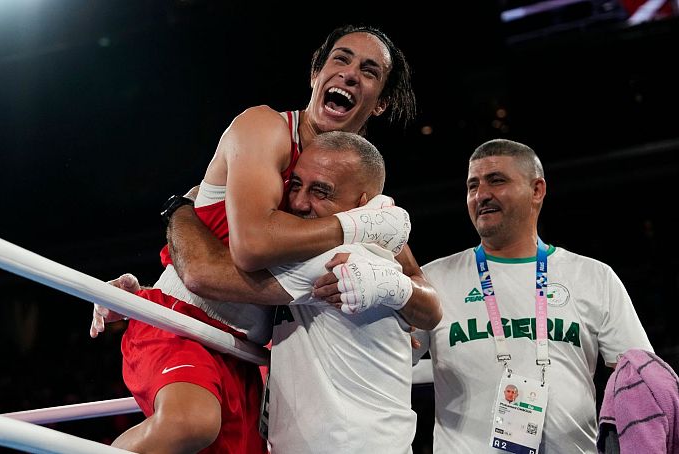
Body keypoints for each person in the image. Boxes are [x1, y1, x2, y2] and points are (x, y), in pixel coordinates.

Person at [91, 24, 441, 453]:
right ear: (316, 74)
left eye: (368, 71)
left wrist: (392, 288)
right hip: (181, 322)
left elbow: (426, 302)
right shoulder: (265, 128)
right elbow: (250, 246)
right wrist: (355, 227)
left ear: (381, 102)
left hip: (245, 354)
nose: (350, 73)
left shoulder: (357, 191)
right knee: (188, 425)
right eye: (341, 59)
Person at [168, 131, 435, 453]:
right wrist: (139, 296)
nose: (298, 202)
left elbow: (202, 273)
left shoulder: (336, 258)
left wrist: (179, 209)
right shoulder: (355, 252)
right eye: (295, 185)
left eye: (321, 191)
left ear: (362, 205)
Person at [408, 138, 653, 453]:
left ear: (537, 190)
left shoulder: (593, 277)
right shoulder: (433, 280)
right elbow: (391, 361)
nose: (481, 195)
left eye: (496, 180)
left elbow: (641, 381)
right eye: (473, 186)